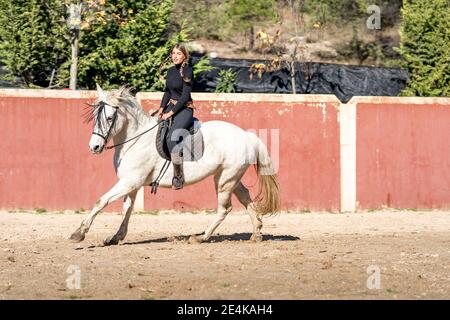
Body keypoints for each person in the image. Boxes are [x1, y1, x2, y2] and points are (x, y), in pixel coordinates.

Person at [155, 43, 195, 190]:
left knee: (172, 136)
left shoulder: (188, 71)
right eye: (173, 53)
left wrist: (170, 113)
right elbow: (167, 92)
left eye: (178, 53)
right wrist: (161, 109)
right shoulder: (171, 71)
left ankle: (178, 177)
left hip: (184, 109)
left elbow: (184, 97)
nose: (175, 56)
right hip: (170, 106)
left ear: (184, 55)